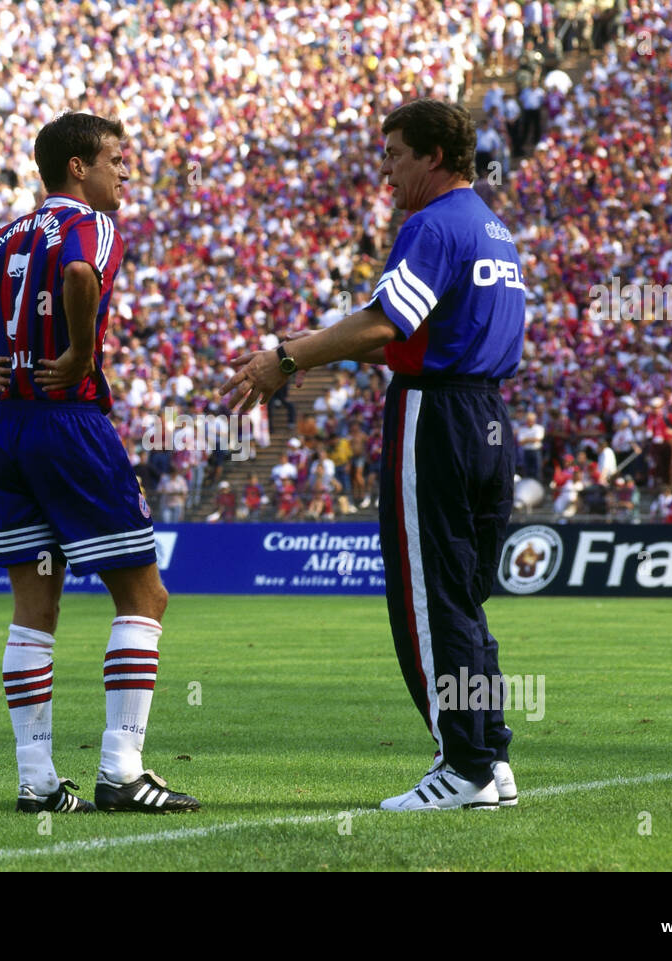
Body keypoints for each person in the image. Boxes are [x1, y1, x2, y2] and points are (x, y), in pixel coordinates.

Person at [0, 112, 198, 815]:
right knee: (144, 597)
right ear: (77, 168)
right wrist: (82, 354)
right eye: (117, 159)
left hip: (5, 431)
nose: (127, 171)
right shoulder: (91, 225)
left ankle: (37, 781)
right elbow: (82, 274)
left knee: (34, 610)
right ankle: (122, 770)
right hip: (69, 423)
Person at [222, 99, 524, 811]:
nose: (384, 168)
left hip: (437, 414)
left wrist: (286, 358)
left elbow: (387, 323)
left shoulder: (432, 223)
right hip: (488, 416)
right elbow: (404, 327)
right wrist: (312, 340)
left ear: (436, 157)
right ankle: (490, 754)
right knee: (464, 598)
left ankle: (464, 766)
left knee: (428, 597)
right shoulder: (493, 228)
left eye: (393, 152)